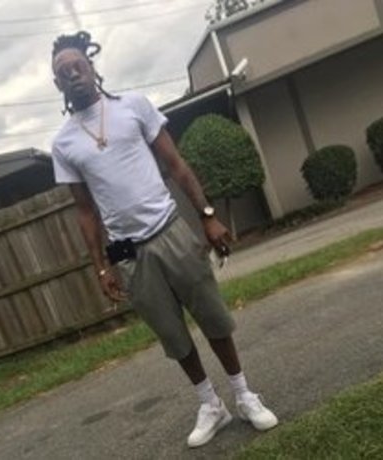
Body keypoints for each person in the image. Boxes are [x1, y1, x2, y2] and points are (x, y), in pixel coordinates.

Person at [51, 31, 278, 448]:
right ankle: (211, 404)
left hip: (170, 228)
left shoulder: (133, 106)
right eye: (63, 73)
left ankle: (244, 394)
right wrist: (100, 266)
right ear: (58, 84)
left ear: (91, 68)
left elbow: (176, 165)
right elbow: (84, 211)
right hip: (127, 253)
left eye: (77, 66)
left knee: (212, 316)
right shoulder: (63, 143)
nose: (73, 75)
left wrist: (207, 216)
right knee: (172, 334)